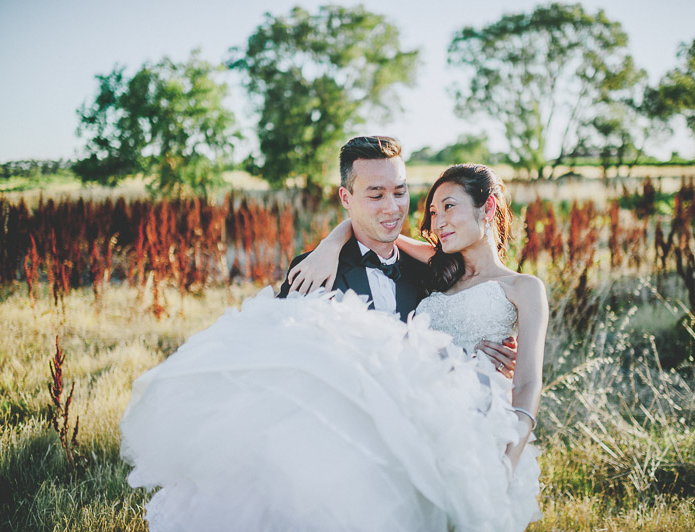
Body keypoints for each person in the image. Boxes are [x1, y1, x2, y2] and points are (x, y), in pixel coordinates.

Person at [120, 157, 546, 532]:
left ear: (487, 206)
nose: (437, 222)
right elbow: (378, 228)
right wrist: (328, 245)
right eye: (433, 212)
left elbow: (528, 383)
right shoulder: (435, 266)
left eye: (447, 207)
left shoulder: (503, 284)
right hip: (391, 418)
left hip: (469, 423)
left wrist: (506, 460)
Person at [280, 136, 518, 376]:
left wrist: (481, 356)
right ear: (345, 198)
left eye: (399, 192)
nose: (392, 208)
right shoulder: (314, 270)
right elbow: (286, 357)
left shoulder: (433, 270)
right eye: (376, 196)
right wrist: (331, 243)